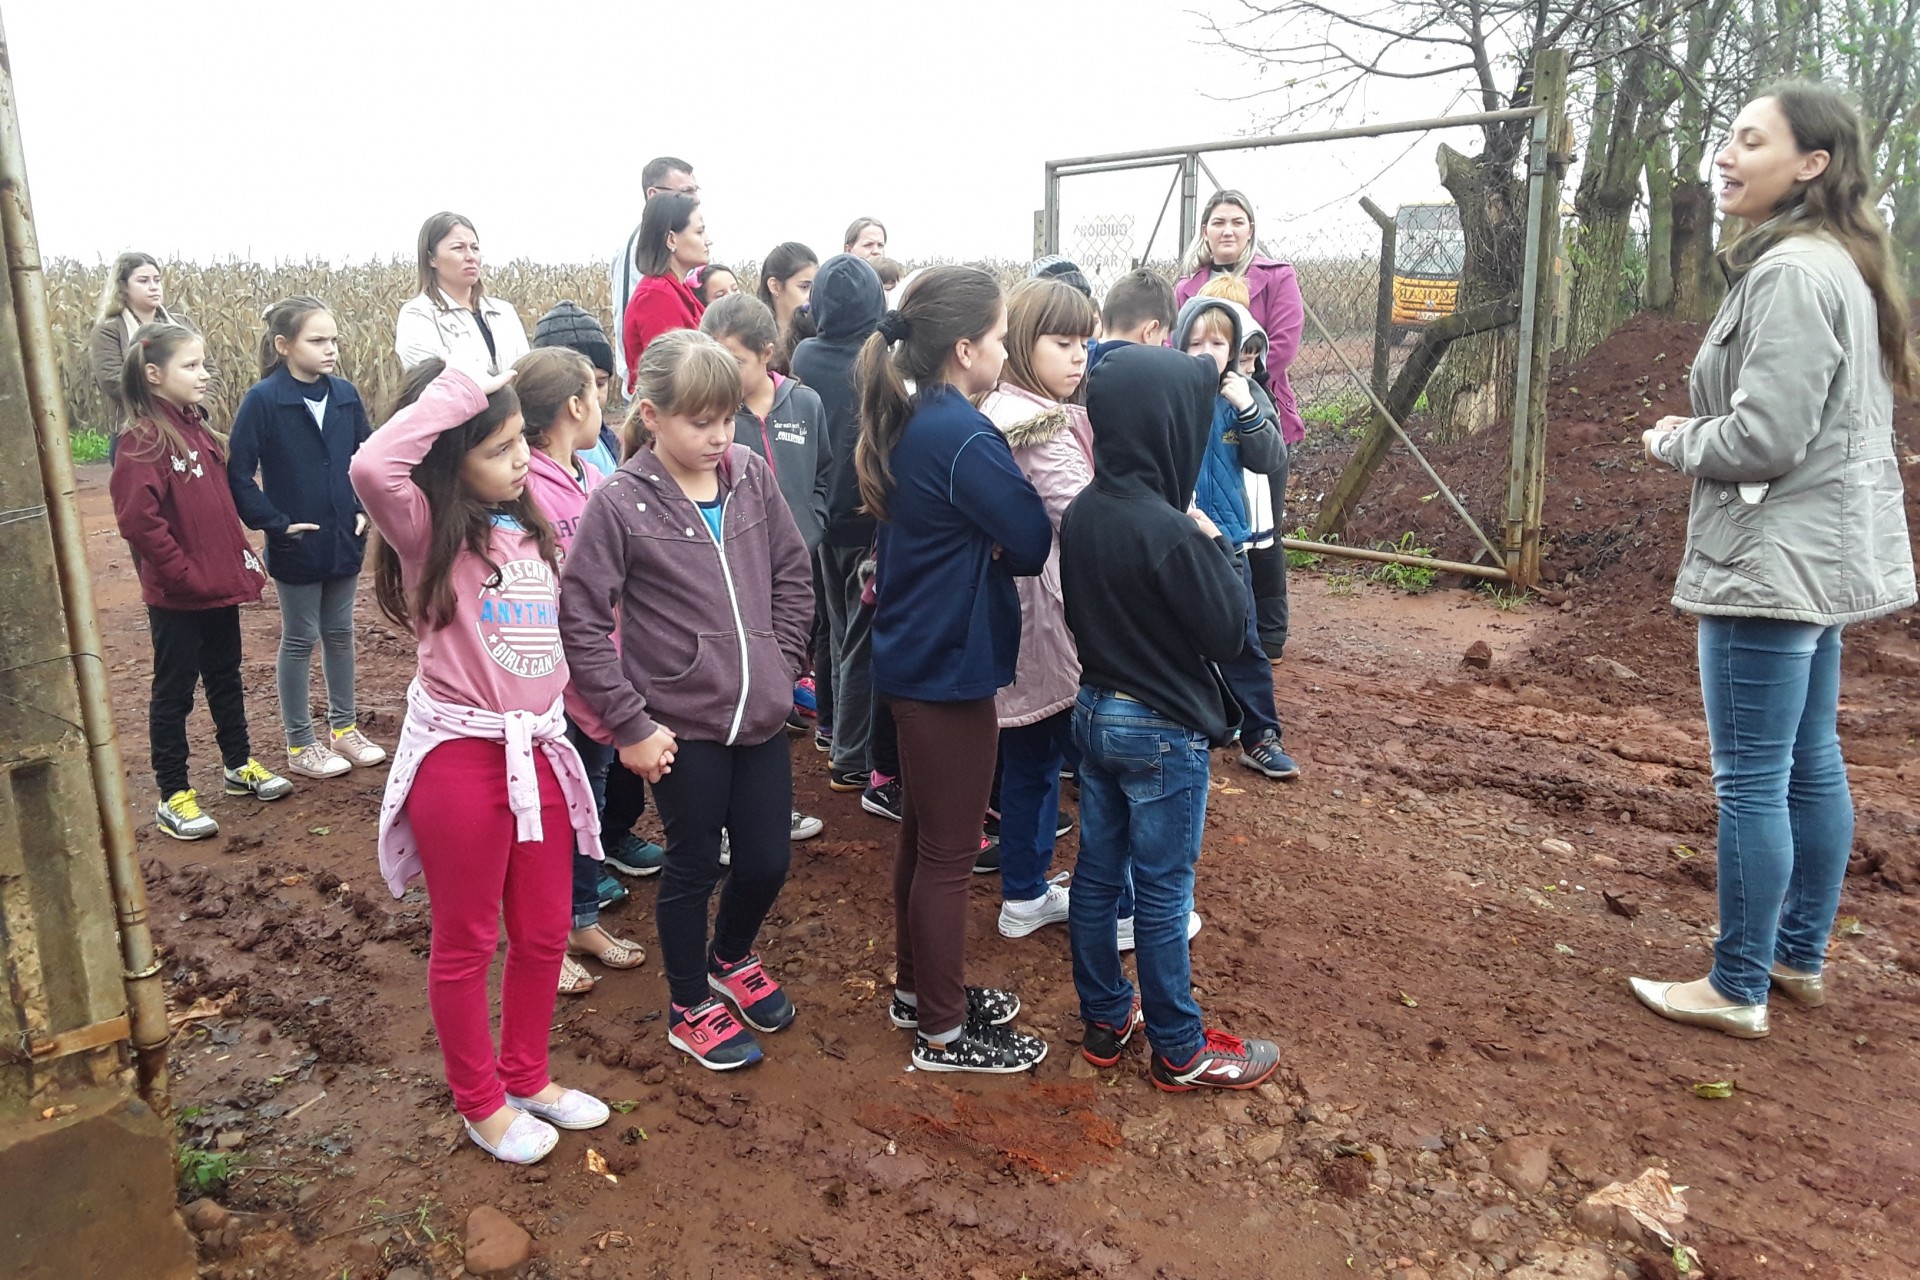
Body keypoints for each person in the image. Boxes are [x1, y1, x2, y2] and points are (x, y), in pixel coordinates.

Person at [1629, 83, 1917, 1040]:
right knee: (1808, 760)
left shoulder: (1794, 273)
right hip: (1816, 557)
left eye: (1750, 140)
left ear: (1811, 164)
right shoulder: (1842, 265)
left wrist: (1675, 437)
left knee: (1754, 776)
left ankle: (1736, 983)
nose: (1725, 155)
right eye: (1727, 137)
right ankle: (1796, 956)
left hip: (1770, 558)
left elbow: (1765, 435)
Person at [351, 359, 609, 1166]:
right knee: (467, 940)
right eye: (496, 449)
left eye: (518, 444)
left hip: (539, 754)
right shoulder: (427, 530)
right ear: (448, 458)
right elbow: (370, 465)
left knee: (542, 930)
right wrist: (460, 392)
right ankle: (479, 1102)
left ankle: (526, 1075)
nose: (519, 461)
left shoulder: (530, 524)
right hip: (462, 762)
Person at [560, 330, 814, 1072]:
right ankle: (686, 1005)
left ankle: (729, 956)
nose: (717, 436)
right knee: (694, 864)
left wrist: (783, 658)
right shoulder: (620, 504)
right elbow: (580, 619)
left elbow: (793, 573)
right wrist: (629, 724)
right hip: (679, 728)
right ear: (651, 415)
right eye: (699, 421)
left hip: (761, 714)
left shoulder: (750, 477)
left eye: (727, 419)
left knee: (767, 860)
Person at [1059, 343, 1284, 1091]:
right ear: (1167, 428)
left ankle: (1104, 1017)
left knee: (1097, 875)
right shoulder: (1169, 530)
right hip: (1159, 733)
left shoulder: (1088, 508)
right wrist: (1218, 545)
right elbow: (1230, 634)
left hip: (1093, 713)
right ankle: (1181, 1049)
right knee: (1161, 890)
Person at [853, 265, 1055, 1073]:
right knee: (947, 855)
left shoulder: (918, 419)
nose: (1007, 352)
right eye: (1003, 338)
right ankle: (942, 1031)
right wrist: (994, 538)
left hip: (912, 656)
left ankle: (919, 991)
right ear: (965, 347)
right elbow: (1033, 540)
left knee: (922, 839)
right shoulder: (967, 435)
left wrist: (985, 538)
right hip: (948, 668)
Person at [111, 323, 292, 840]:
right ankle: (173, 794)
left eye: (203, 363)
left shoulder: (199, 431)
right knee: (174, 692)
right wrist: (182, 574)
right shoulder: (142, 441)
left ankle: (239, 765)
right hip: (178, 596)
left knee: (225, 675)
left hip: (216, 587)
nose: (204, 374)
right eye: (191, 366)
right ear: (153, 374)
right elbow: (139, 522)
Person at [513, 347, 648, 997]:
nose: (604, 406)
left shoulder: (592, 475)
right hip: (550, 680)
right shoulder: (524, 483)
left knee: (588, 801)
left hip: (600, 667)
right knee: (547, 813)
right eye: (597, 394)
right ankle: (540, 939)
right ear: (575, 405)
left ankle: (581, 919)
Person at [976, 278, 1098, 941]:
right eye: (1063, 342)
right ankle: (1117, 903)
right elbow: (1081, 516)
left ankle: (1024, 892)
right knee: (1094, 764)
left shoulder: (1009, 408)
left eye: (1085, 341)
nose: (1079, 356)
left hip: (1020, 617)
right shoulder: (1035, 425)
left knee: (1031, 761)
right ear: (1023, 343)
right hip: (1047, 615)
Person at [226, 297, 386, 782]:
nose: (330, 349)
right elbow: (237, 473)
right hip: (296, 543)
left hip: (343, 538)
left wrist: (363, 510)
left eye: (333, 340)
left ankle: (344, 729)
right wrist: (274, 523)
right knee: (299, 639)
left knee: (340, 634)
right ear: (283, 345)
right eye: (317, 341)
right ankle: (300, 742)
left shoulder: (344, 395)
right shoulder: (264, 400)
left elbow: (367, 456)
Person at [700, 292, 829, 842]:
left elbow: (823, 475)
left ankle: (765, 811)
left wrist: (811, 527)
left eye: (734, 360)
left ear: (767, 354)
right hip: (734, 577)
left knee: (777, 684)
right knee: (733, 685)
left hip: (795, 573)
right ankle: (728, 823)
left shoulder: (806, 405)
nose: (720, 372)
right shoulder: (710, 424)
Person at [1171, 294, 1299, 781]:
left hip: (1229, 544)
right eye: (1195, 341)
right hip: (1178, 540)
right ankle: (1187, 728)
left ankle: (1261, 735)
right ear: (1178, 345)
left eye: (1218, 341)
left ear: (1235, 348)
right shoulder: (1170, 393)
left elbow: (1269, 458)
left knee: (1243, 638)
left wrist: (1246, 406)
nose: (1206, 350)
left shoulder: (1243, 396)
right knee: (1177, 639)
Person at [1176, 191, 1306, 654]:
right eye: (1217, 222)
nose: (1226, 230)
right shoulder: (1186, 287)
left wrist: (1245, 378)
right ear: (1205, 231)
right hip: (1201, 414)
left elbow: (1284, 344)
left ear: (1250, 228)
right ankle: (1215, 624)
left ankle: (1266, 632)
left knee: (1264, 530)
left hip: (1255, 411)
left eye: (1236, 221)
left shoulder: (1276, 277)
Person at [790, 255, 886, 794]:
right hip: (867, 519)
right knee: (861, 639)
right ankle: (852, 755)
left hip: (821, 519)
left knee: (832, 627)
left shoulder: (805, 353)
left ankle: (829, 728)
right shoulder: (877, 360)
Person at [88, 252, 197, 460]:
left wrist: (199, 407)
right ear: (123, 286)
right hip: (137, 433)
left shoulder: (182, 324)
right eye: (143, 281)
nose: (154, 286)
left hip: (189, 427)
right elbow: (114, 380)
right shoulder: (110, 330)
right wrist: (170, 401)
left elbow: (209, 371)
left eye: (157, 280)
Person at [394, 213, 529, 376]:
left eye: (475, 248)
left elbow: (525, 374)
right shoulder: (418, 314)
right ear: (431, 259)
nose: (471, 257)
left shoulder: (504, 312)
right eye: (458, 248)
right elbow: (434, 380)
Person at [611, 156, 699, 382]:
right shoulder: (653, 288)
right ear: (653, 195)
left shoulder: (674, 281)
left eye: (695, 191)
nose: (695, 199)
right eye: (686, 192)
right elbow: (665, 368)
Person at [621, 192, 709, 392]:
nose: (708, 241)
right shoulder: (655, 297)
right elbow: (672, 376)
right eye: (699, 232)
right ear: (671, 239)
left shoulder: (677, 290)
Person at [532, 301, 623, 479]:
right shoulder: (538, 464)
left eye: (601, 383)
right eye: (582, 387)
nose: (594, 395)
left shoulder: (605, 437)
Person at [755, 241, 817, 376]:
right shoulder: (753, 337)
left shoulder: (816, 335)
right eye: (804, 287)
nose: (812, 296)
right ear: (775, 286)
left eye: (816, 287)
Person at [1091, 269, 1175, 366]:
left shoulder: (1081, 363)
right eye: (1162, 342)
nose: (1163, 348)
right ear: (1150, 331)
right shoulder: (1151, 373)